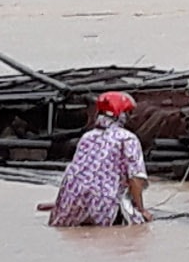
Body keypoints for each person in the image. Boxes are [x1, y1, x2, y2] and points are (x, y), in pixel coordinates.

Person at [48, 91, 151, 226]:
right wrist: (141, 210)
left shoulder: (87, 137)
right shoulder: (128, 139)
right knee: (139, 226)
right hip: (104, 204)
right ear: (121, 115)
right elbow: (136, 178)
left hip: (71, 202)